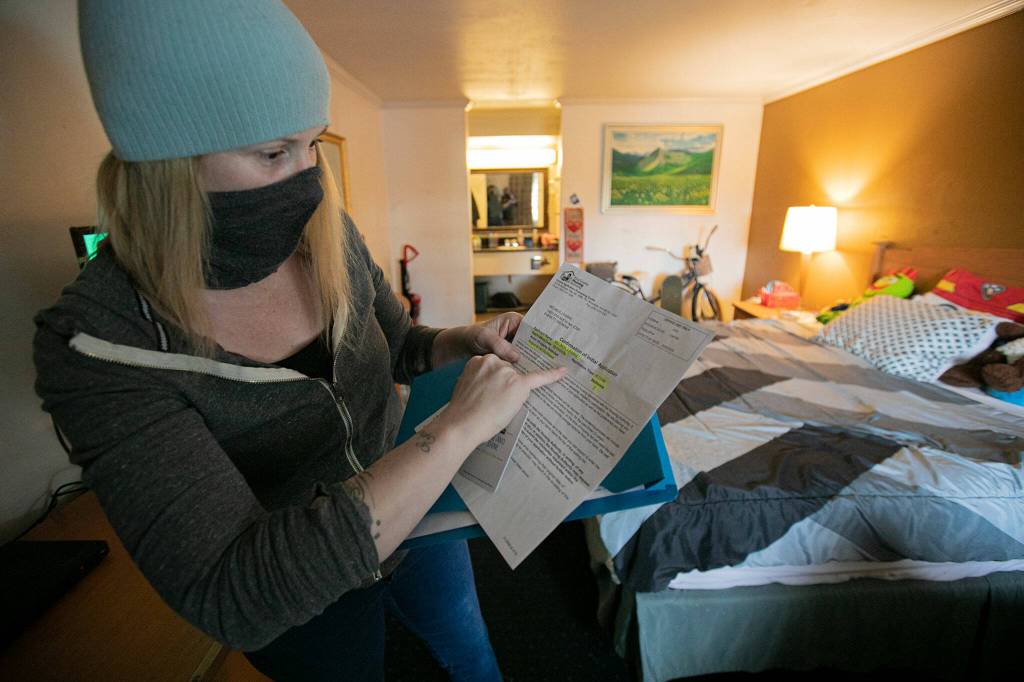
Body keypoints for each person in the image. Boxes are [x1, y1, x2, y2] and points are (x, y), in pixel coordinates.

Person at [33, 2, 565, 680]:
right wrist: (453, 432)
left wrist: (462, 339)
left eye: (315, 143)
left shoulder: (328, 238)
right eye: (274, 152)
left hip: (422, 520)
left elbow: (398, 344)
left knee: (468, 648)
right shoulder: (98, 347)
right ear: (163, 160)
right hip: (309, 602)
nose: (310, 178)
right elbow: (234, 593)